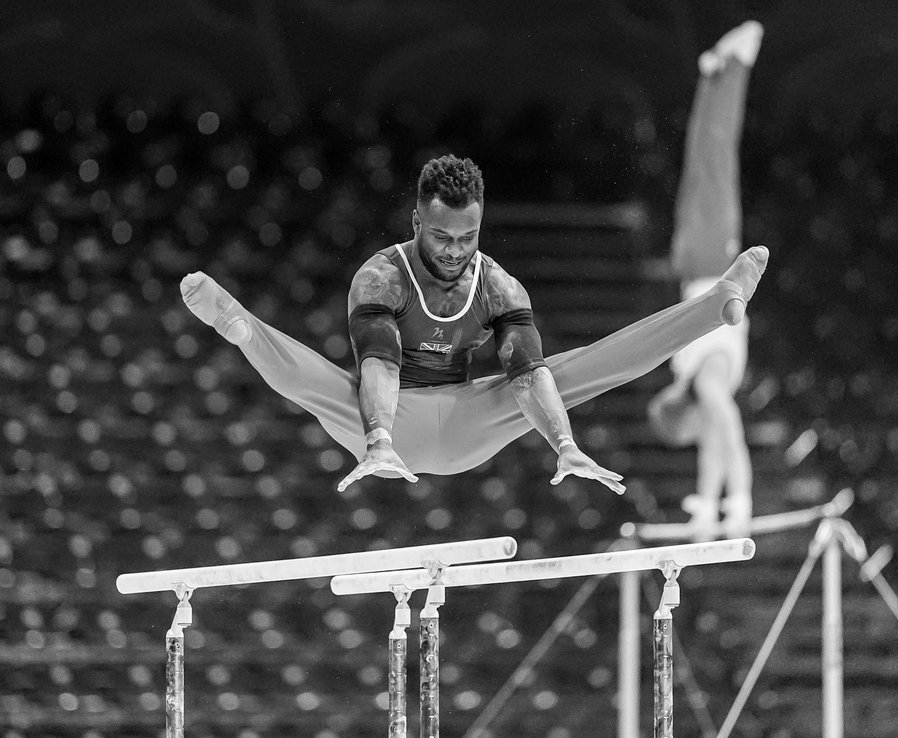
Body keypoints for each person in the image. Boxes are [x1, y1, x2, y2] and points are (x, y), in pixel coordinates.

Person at [180, 154, 769, 495]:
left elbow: (526, 373)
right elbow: (381, 362)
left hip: (468, 423)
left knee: (576, 368)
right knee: (321, 382)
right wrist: (380, 440)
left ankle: (714, 306)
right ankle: (240, 326)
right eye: (440, 236)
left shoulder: (498, 286)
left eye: (468, 237)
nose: (455, 250)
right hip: (384, 420)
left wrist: (564, 444)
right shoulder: (380, 278)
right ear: (415, 220)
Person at [646, 21, 763, 537]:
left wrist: (737, 503)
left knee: (715, 161)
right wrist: (706, 505)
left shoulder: (709, 382)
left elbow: (728, 433)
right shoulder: (692, 378)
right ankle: (713, 76)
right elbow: (716, 439)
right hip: (695, 263)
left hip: (712, 261)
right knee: (702, 163)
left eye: (690, 436)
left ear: (686, 418)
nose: (701, 441)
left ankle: (736, 65)